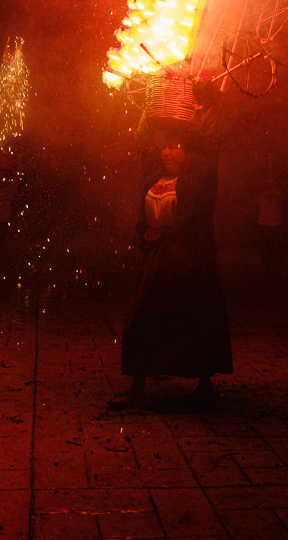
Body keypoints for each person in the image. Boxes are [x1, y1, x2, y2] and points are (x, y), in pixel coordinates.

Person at [109, 115, 232, 409]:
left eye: (175, 146)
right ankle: (138, 388)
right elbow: (143, 145)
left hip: (190, 264)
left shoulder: (196, 178)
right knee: (143, 320)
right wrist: (143, 110)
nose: (167, 151)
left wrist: (210, 111)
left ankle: (205, 385)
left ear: (189, 152)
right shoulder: (156, 177)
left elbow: (209, 150)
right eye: (164, 146)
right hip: (158, 263)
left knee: (196, 320)